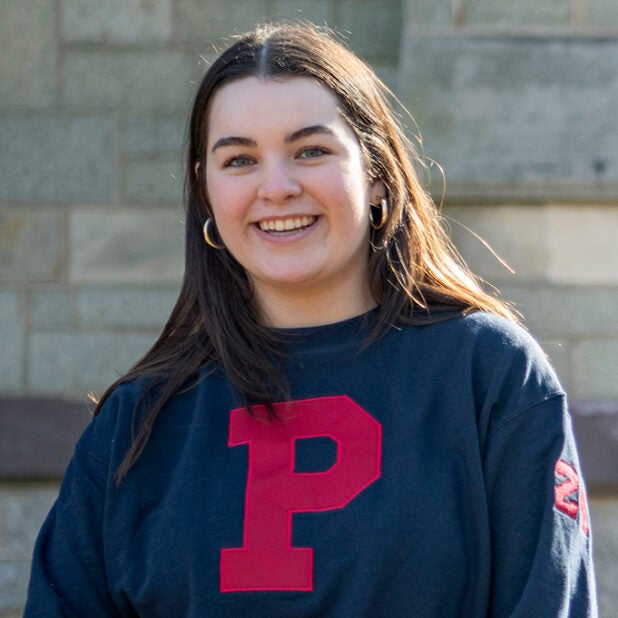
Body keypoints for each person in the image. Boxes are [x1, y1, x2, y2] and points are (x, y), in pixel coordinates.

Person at [25, 22, 597, 617]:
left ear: (376, 172)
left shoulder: (490, 377)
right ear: (207, 193)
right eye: (239, 159)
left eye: (311, 151)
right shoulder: (137, 423)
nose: (277, 187)